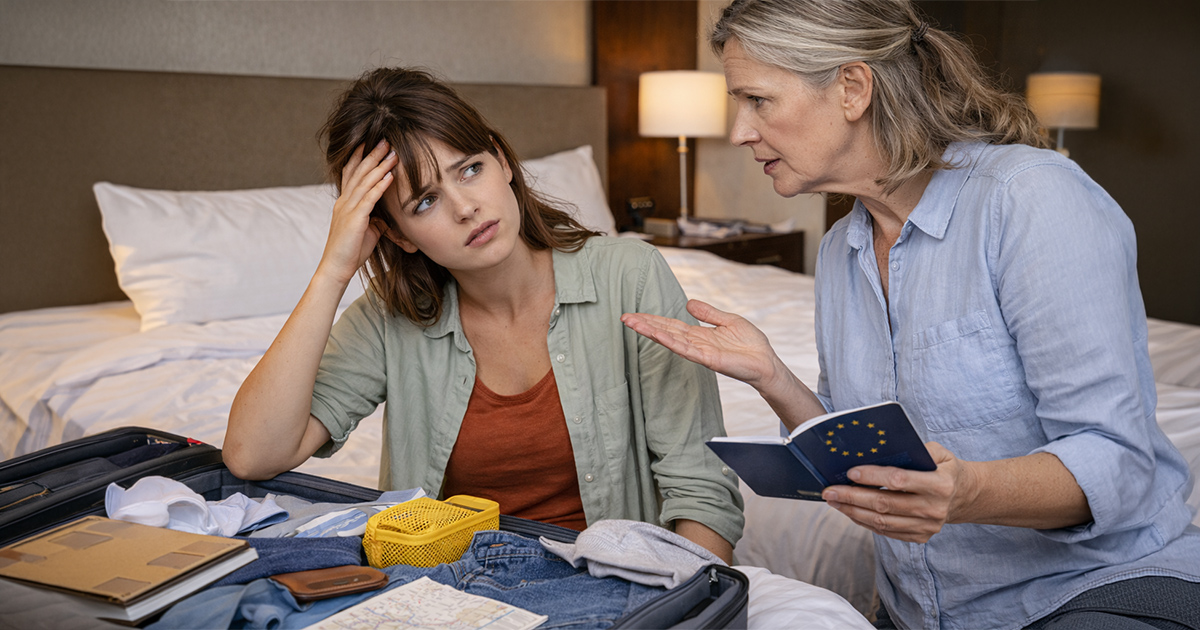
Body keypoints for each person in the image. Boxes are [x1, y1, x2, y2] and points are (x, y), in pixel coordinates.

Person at [620, 1, 1200, 628]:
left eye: (757, 100)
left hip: (1090, 588)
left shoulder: (1029, 199)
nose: (739, 132)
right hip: (920, 608)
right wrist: (771, 375)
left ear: (852, 88)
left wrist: (967, 492)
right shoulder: (842, 250)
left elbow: (1120, 460)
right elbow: (864, 452)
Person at [224, 67, 743, 563]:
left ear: (502, 161)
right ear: (399, 236)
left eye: (470, 169)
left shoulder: (629, 275)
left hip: (612, 578)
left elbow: (701, 488)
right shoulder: (389, 317)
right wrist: (333, 272)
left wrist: (684, 596)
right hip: (450, 587)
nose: (465, 208)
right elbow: (253, 455)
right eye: (425, 202)